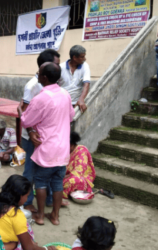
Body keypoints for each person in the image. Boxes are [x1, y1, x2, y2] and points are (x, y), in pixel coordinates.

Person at [19, 62, 75, 226]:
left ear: (43, 77)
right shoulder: (65, 94)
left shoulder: (41, 98)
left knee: (41, 182)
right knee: (58, 183)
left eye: (39, 73)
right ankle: (55, 216)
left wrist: (20, 112)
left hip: (47, 149)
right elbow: (70, 116)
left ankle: (41, 215)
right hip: (63, 149)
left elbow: (26, 120)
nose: (38, 75)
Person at [19, 49, 61, 213]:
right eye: (56, 64)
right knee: (30, 170)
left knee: (47, 169)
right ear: (44, 66)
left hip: (45, 136)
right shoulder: (32, 86)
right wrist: (30, 132)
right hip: (31, 137)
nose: (58, 67)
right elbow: (24, 112)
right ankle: (27, 200)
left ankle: (49, 199)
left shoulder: (52, 83)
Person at [0, 175, 54, 250]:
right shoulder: (16, 215)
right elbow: (28, 248)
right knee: (27, 239)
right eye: (27, 196)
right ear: (20, 196)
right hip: (0, 246)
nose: (26, 199)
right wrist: (46, 249)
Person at [62, 132, 96, 199]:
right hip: (65, 175)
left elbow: (78, 172)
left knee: (72, 181)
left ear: (71, 145)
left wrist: (62, 176)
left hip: (81, 178)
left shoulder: (82, 150)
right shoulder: (66, 152)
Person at [59, 45, 91, 113]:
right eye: (82, 57)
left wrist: (81, 99)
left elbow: (86, 84)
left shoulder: (85, 66)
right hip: (61, 103)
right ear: (74, 58)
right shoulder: (61, 67)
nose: (85, 59)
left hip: (76, 104)